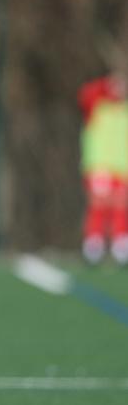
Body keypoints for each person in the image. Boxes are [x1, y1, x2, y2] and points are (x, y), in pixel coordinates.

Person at [77, 74, 128, 264]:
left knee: (121, 208)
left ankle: (121, 246)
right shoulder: (97, 107)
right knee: (99, 206)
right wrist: (106, 86)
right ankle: (93, 246)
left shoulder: (124, 111)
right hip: (100, 168)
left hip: (122, 170)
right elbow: (85, 94)